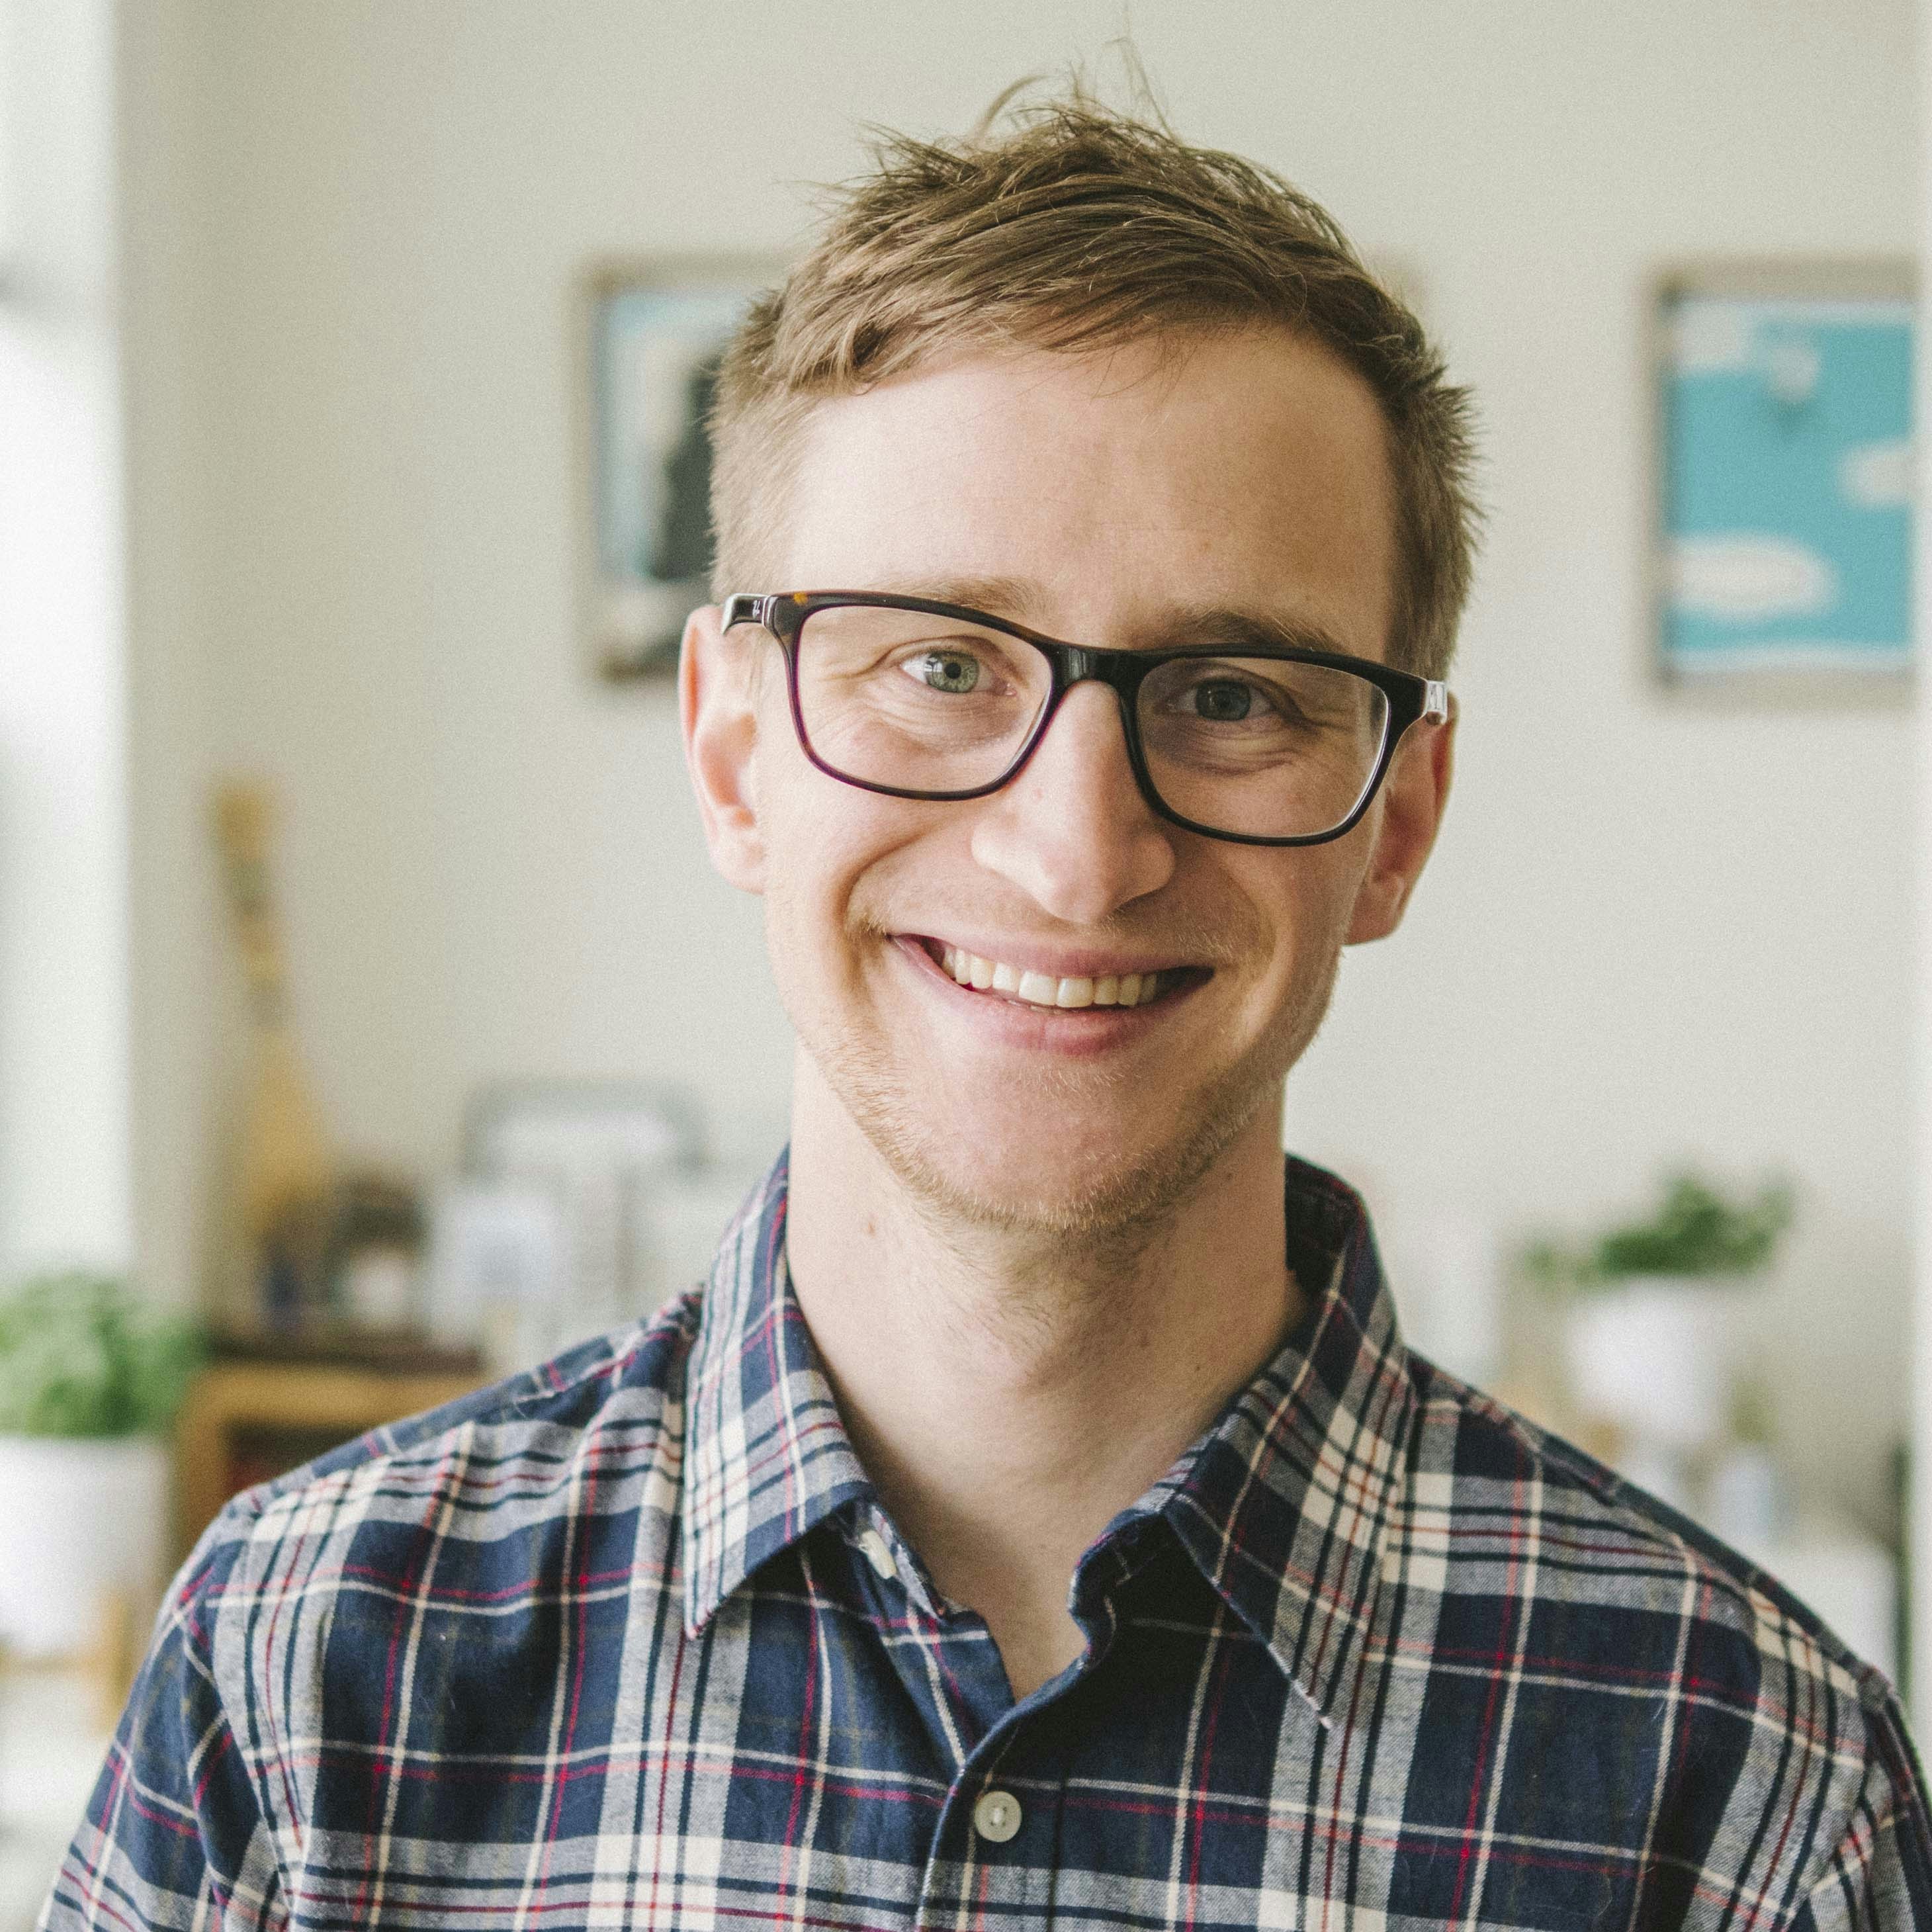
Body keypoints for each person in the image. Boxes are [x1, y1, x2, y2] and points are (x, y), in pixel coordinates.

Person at [45, 95, 1930, 1932]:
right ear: (733, 755)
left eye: (1233, 694)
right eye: (941, 666)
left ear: (1397, 825)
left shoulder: (1745, 1797)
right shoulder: (300, 1678)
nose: (1078, 856)